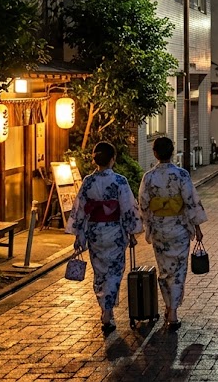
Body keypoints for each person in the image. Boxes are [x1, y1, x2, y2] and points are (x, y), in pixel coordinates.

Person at [66, 142, 143, 333]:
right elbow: (127, 209)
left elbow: (80, 210)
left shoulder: (88, 182)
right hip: (115, 232)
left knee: (99, 272)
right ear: (112, 159)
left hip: (95, 233)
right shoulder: (120, 181)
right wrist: (132, 232)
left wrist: (79, 235)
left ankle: (105, 310)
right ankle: (108, 311)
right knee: (115, 272)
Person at [138, 137, 208, 331]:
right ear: (172, 151)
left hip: (160, 229)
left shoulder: (148, 177)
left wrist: (148, 223)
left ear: (154, 153)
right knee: (178, 272)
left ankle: (168, 306)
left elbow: (143, 204)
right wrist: (198, 227)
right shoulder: (181, 175)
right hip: (179, 229)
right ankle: (173, 312)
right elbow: (191, 201)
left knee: (164, 270)